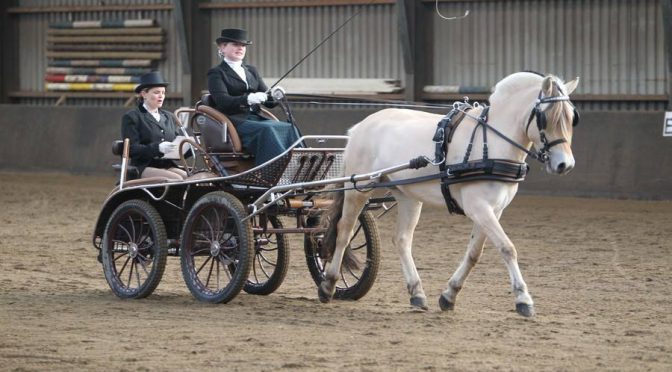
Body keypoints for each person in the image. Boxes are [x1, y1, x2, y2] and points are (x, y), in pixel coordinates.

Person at [207, 28, 301, 166]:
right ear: (222, 47)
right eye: (235, 45)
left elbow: (269, 102)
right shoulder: (216, 73)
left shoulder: (251, 70)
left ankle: (299, 166)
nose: (240, 48)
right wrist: (248, 99)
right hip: (234, 121)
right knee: (268, 129)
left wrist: (275, 95)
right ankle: (274, 170)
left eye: (243, 45)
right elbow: (223, 102)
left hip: (256, 118)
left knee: (290, 127)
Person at [121, 71, 187, 180]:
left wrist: (189, 146)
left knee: (190, 177)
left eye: (163, 93)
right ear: (144, 94)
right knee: (177, 179)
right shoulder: (132, 117)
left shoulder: (169, 116)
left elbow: (176, 143)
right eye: (156, 92)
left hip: (166, 165)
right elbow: (132, 149)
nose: (161, 96)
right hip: (143, 166)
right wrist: (158, 148)